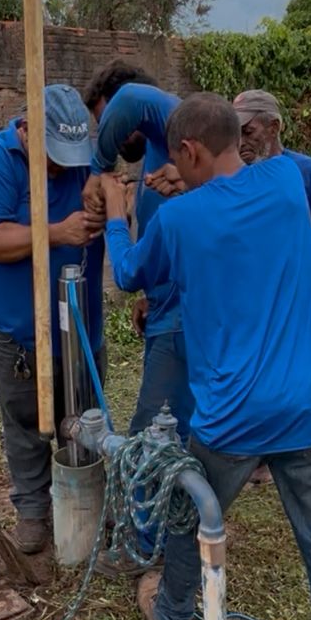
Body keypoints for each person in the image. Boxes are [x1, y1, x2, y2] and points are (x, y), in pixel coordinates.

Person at [101, 91, 311, 620]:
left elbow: (128, 274)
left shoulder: (178, 222)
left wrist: (120, 212)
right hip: (308, 409)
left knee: (189, 516)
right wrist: (195, 181)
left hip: (230, 418)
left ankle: (169, 618)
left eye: (179, 157)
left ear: (187, 152)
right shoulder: (288, 181)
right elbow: (247, 172)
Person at [0, 85, 105, 553]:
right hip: (19, 330)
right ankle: (34, 511)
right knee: (25, 423)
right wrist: (57, 233)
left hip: (80, 322)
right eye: (55, 155)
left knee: (85, 417)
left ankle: (91, 505)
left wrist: (107, 194)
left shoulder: (83, 161)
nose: (64, 165)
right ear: (26, 131)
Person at [82, 61, 193, 441]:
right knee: (175, 432)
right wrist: (152, 294)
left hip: (184, 320)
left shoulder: (176, 127)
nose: (108, 135)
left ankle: (152, 501)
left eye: (107, 121)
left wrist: (99, 172)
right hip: (166, 312)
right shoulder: (159, 154)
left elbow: (129, 98)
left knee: (149, 440)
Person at [234, 90, 311, 351]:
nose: (240, 142)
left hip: (303, 303)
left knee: (305, 383)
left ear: (273, 127)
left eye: (248, 132)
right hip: (251, 306)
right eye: (235, 133)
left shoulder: (309, 171)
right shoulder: (234, 175)